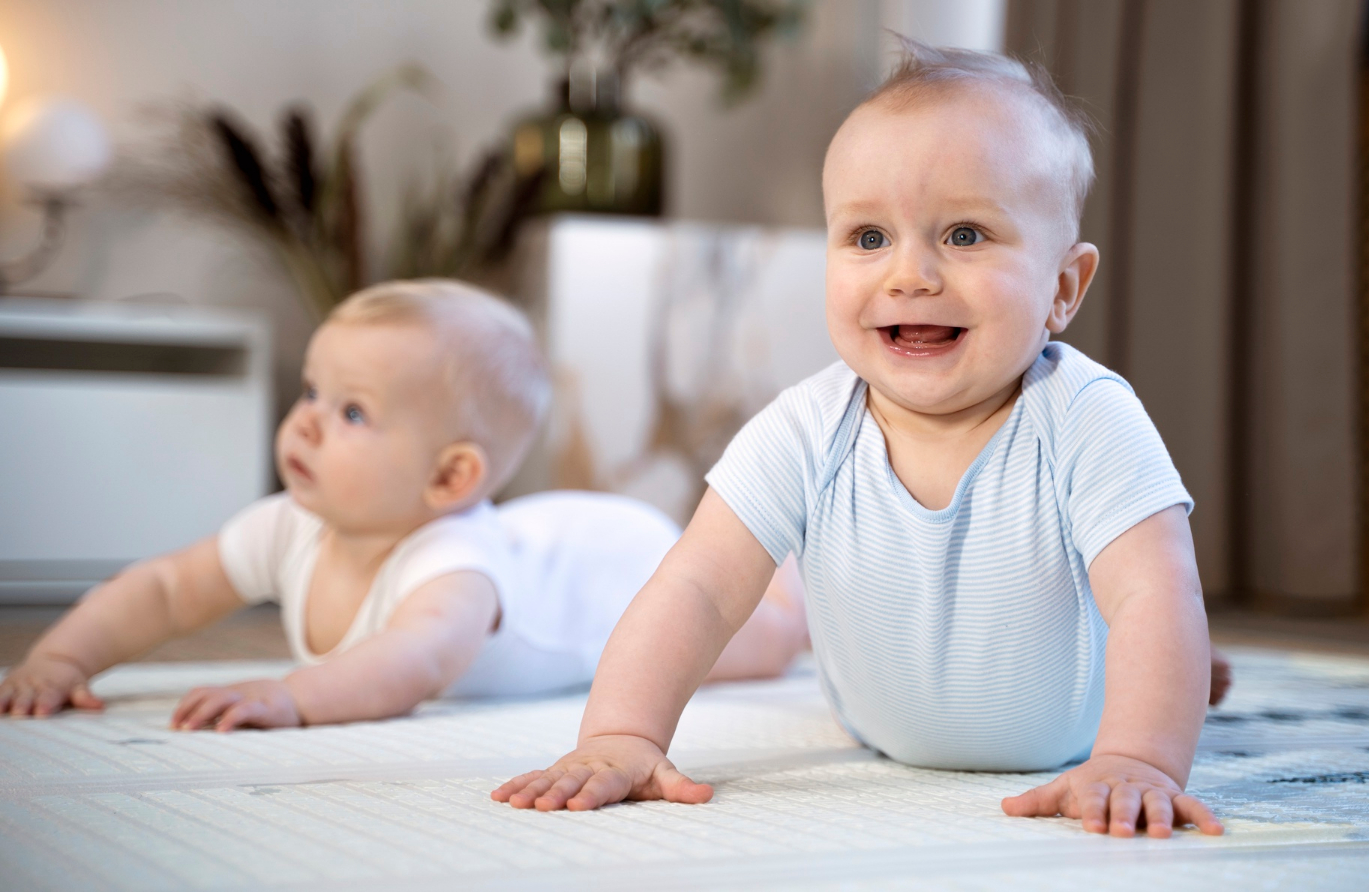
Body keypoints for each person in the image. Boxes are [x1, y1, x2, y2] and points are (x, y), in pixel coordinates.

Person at [494, 41, 1227, 839]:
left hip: (1069, 731)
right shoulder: (805, 426)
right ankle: (1186, 670)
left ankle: (1179, 678)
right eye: (869, 238)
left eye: (966, 235)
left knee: (1160, 633)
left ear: (1063, 287)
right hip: (876, 723)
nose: (909, 275)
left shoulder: (1087, 417)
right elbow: (696, 588)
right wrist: (620, 734)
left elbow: (1155, 592)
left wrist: (1139, 757)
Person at [0, 279, 807, 729]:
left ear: (449, 480)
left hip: (608, 576)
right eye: (311, 392)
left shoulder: (453, 565)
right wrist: (62, 660)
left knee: (756, 639)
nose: (307, 420)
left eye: (351, 412)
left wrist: (294, 695)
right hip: (544, 533)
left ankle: (798, 577)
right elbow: (167, 589)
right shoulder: (291, 524)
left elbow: (415, 661)